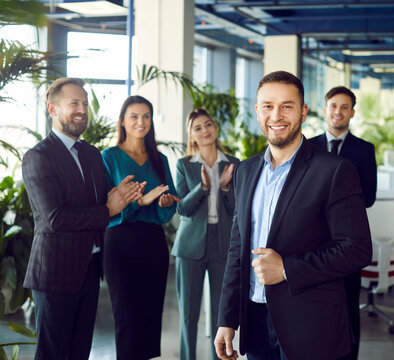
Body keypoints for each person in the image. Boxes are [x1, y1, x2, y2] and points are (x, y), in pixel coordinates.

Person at [213, 70, 372, 360]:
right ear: (258, 111)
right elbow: (238, 249)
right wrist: (227, 318)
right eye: (268, 106)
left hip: (311, 325)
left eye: (287, 106)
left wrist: (287, 268)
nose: (276, 115)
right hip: (256, 322)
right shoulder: (246, 171)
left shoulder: (334, 170)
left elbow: (357, 250)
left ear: (304, 112)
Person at [22, 77, 143, 360]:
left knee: (80, 353)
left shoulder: (90, 154)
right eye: (74, 103)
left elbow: (101, 202)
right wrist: (109, 209)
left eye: (85, 104)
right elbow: (56, 218)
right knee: (52, 354)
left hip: (89, 271)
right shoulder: (38, 157)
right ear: (52, 109)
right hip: (55, 274)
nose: (82, 110)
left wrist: (122, 196)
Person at [101, 95, 180, 360]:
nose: (141, 122)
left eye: (146, 116)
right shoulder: (108, 157)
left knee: (149, 315)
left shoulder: (160, 159)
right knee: (126, 316)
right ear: (122, 121)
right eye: (134, 116)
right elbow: (106, 208)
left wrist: (163, 202)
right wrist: (139, 201)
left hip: (153, 243)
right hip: (120, 243)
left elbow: (167, 208)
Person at [309, 85, 377, 360]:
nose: (338, 111)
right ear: (325, 110)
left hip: (347, 239)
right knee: (313, 303)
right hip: (310, 238)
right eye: (333, 106)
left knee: (348, 303)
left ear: (352, 112)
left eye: (344, 107)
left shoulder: (364, 149)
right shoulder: (308, 146)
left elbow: (369, 196)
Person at [171, 109, 239, 360]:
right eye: (197, 127)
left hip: (223, 243)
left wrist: (223, 188)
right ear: (191, 135)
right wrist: (202, 188)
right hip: (189, 246)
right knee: (188, 314)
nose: (204, 130)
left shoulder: (233, 163)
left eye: (208, 124)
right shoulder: (184, 165)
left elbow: (238, 209)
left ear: (215, 128)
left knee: (222, 314)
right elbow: (182, 208)